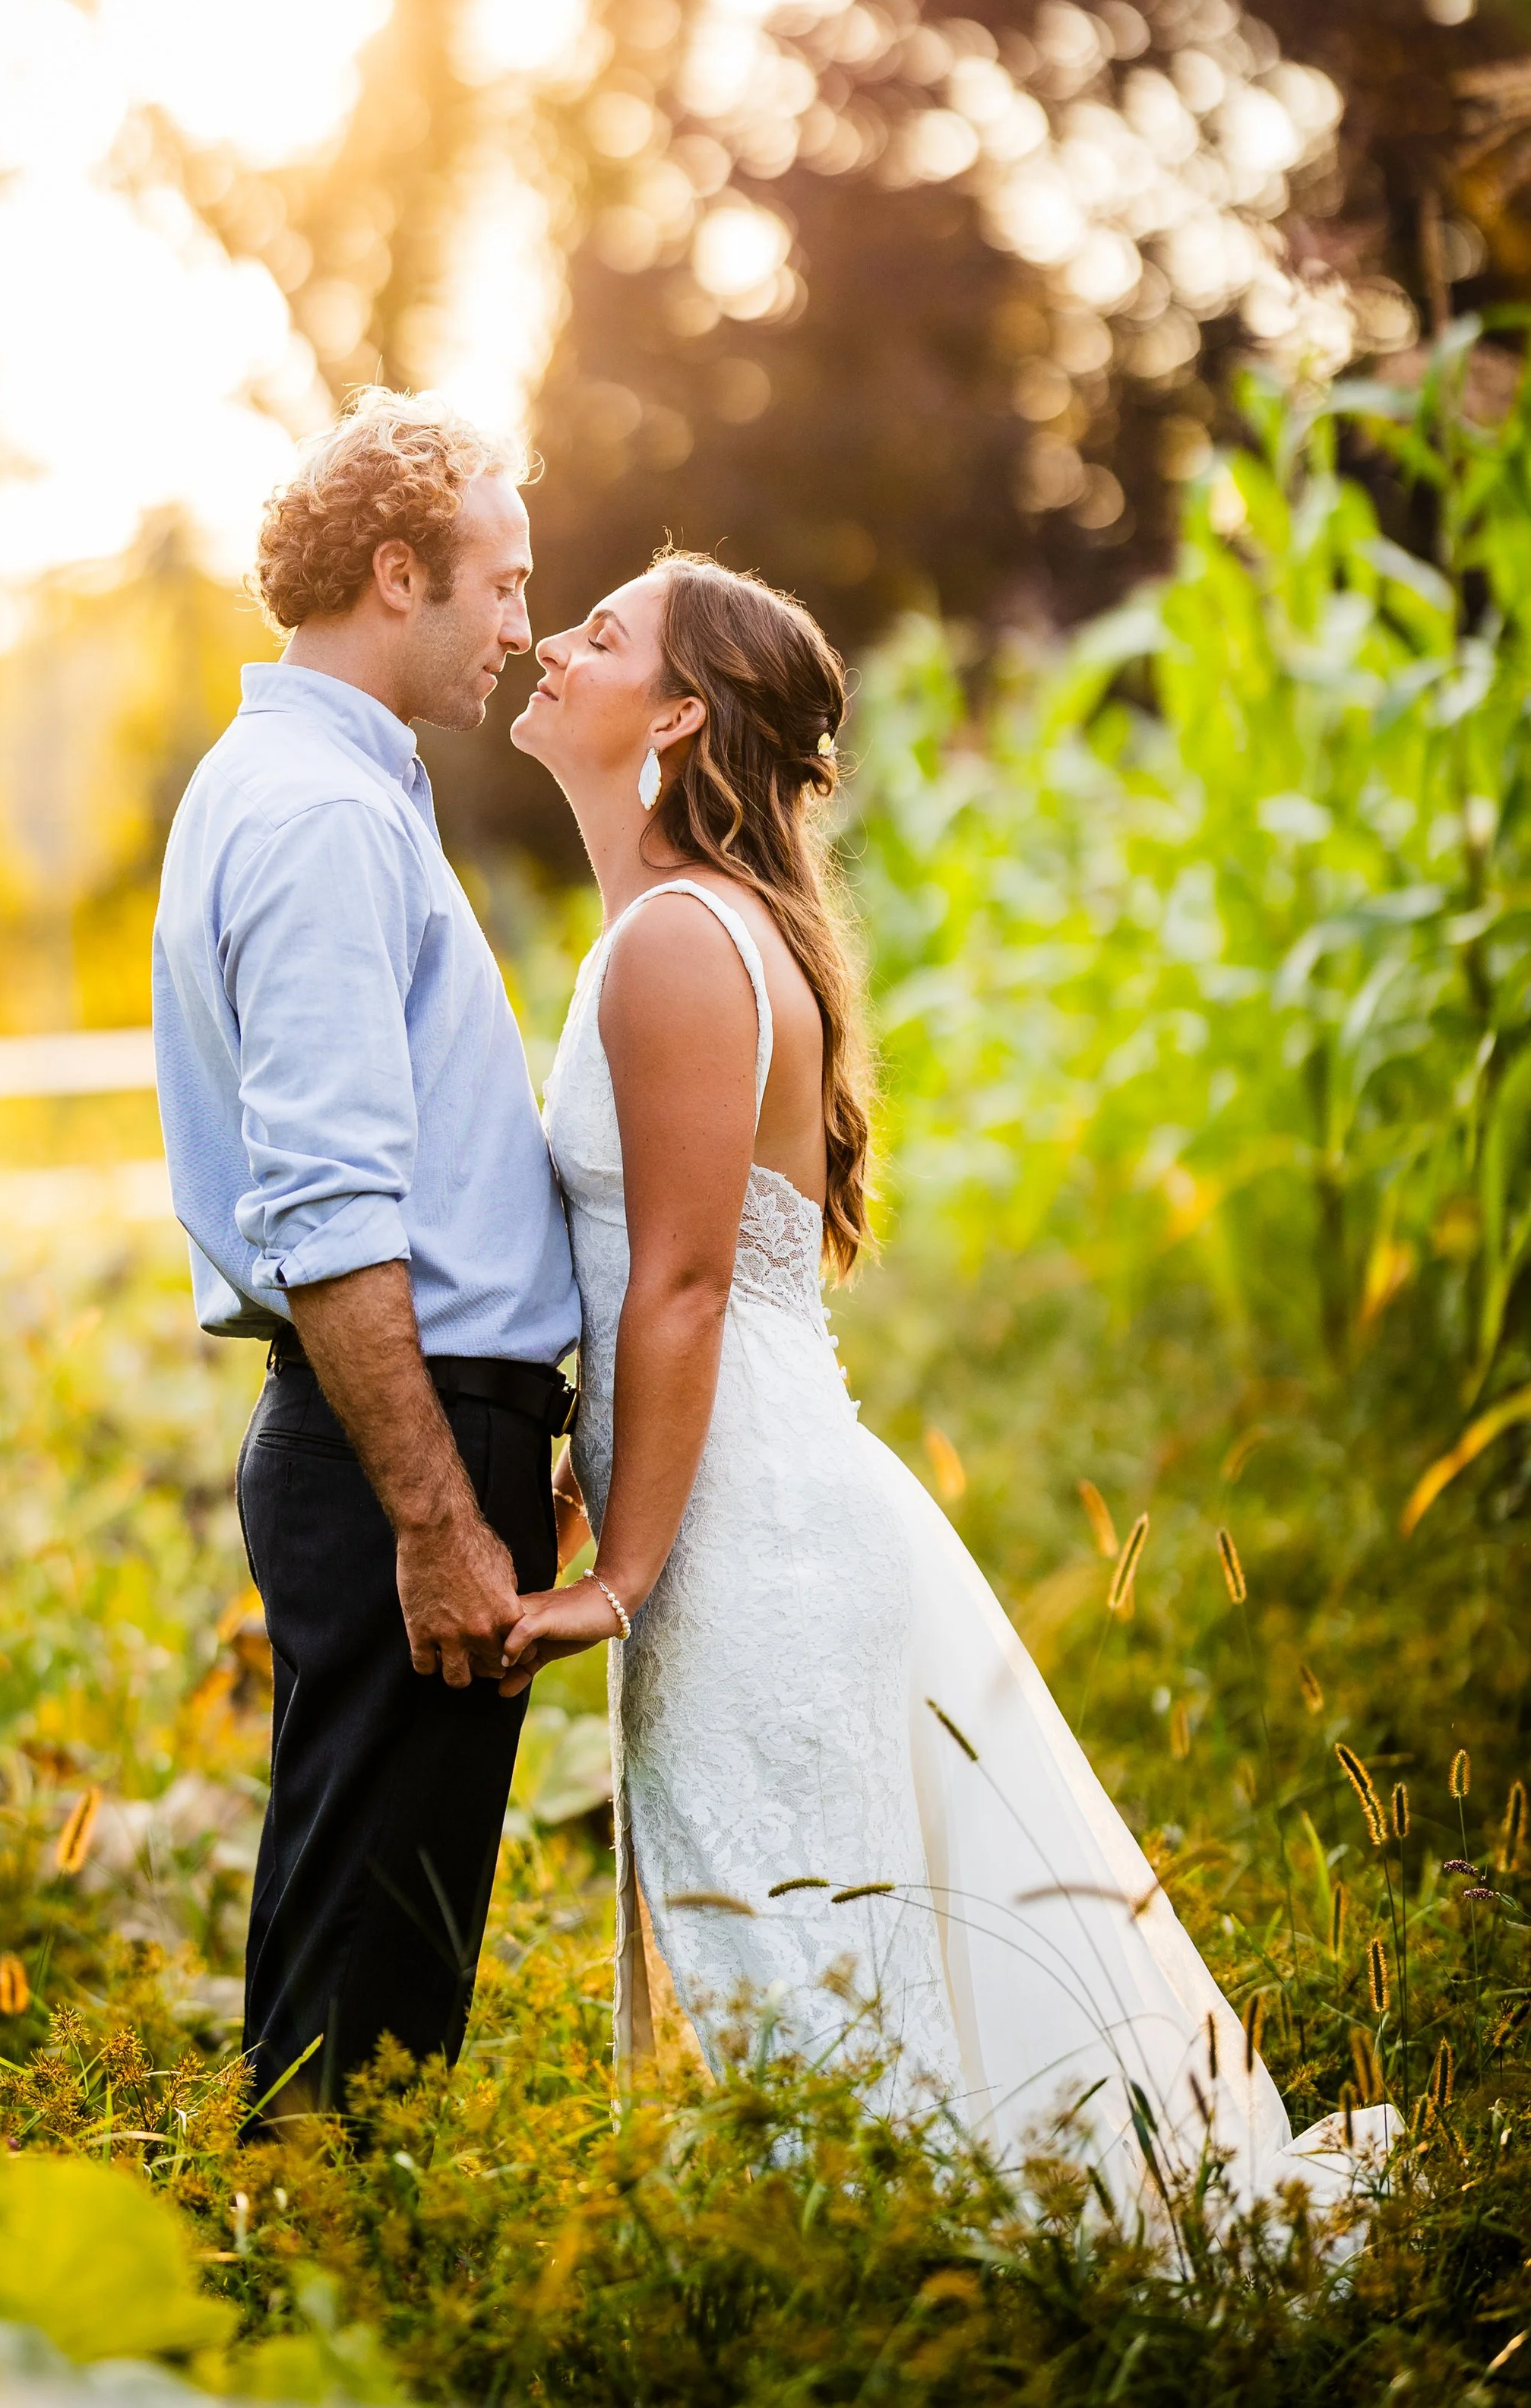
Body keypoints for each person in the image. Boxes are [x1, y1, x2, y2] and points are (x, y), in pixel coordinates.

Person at [504, 549, 1397, 2224]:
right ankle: (923, 2262)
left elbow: (686, 1288)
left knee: (799, 1955)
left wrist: (612, 1581)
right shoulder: (694, 931)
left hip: (742, 1537)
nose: (556, 642)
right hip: (752, 1496)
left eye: (603, 633)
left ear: (679, 716)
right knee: (832, 1943)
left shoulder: (672, 948)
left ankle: (918, 2287)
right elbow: (668, 1284)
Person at [152, 390, 577, 2122]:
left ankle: (310, 2282)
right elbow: (327, 1215)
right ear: (397, 573)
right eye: (501, 583)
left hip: (404, 1427)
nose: (520, 628)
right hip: (396, 1433)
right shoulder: (320, 818)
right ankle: (322, 2327)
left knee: (361, 1944)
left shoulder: (320, 787)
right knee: (368, 1994)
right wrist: (435, 1514)